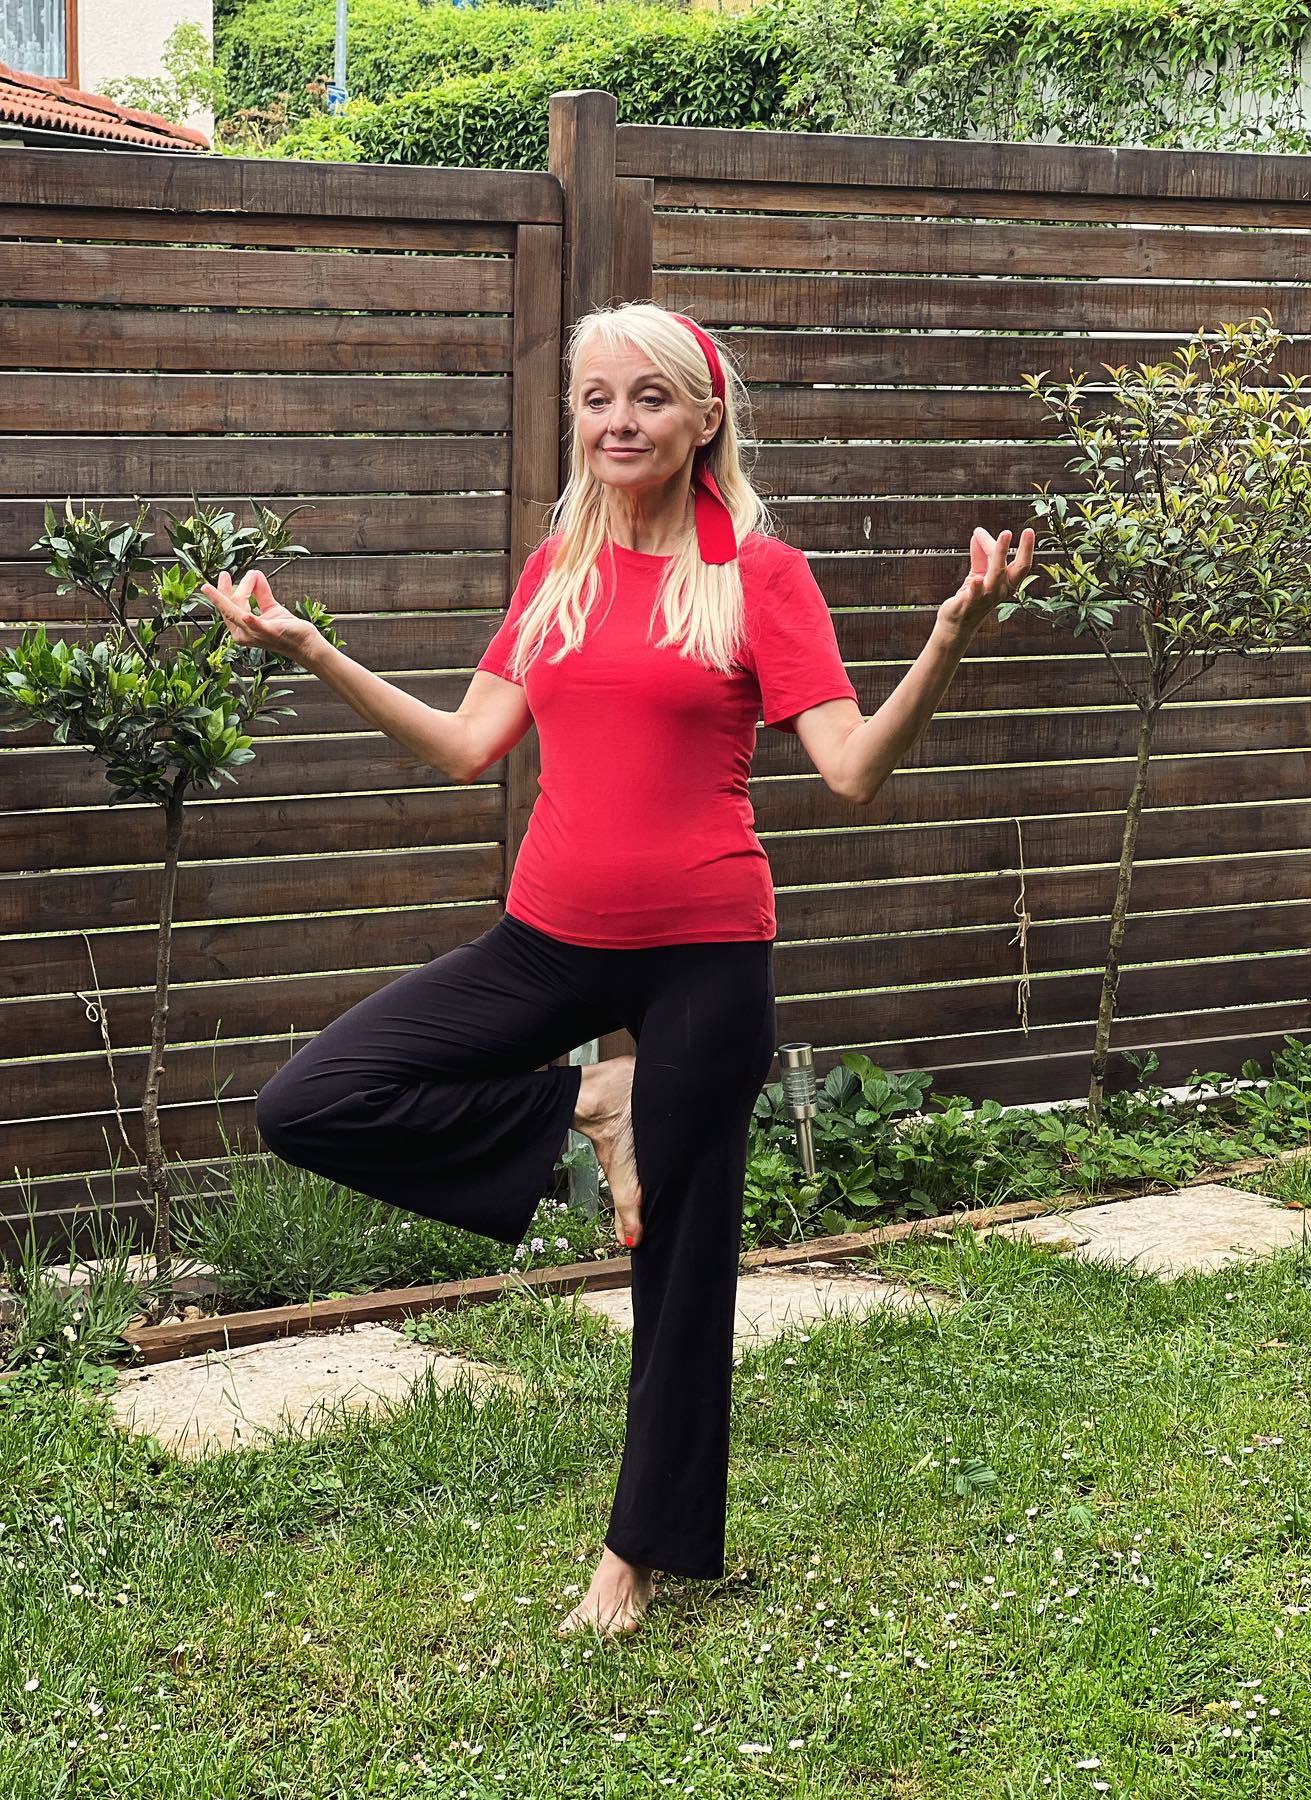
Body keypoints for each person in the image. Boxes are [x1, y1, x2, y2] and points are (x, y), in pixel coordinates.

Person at [198, 301, 1034, 1638]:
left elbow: (851, 772)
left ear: (705, 417)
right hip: (547, 942)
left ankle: (634, 1557)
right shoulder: (559, 570)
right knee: (311, 1100)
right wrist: (312, 649)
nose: (618, 421)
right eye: (596, 398)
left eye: (648, 397)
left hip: (705, 955)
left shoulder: (759, 576)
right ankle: (592, 1102)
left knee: (682, 1266)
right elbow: (468, 746)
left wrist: (947, 638)